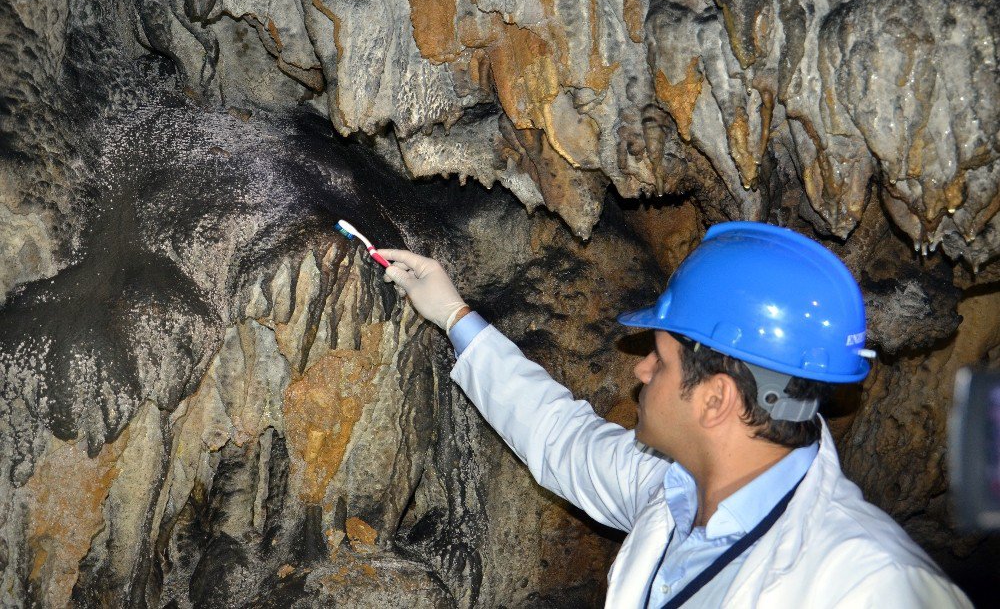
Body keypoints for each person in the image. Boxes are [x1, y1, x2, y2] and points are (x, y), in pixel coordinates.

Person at [380, 221, 972, 608]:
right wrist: (454, 314)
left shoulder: (870, 584)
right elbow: (560, 437)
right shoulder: (676, 490)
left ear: (715, 399)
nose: (640, 371)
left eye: (659, 360)